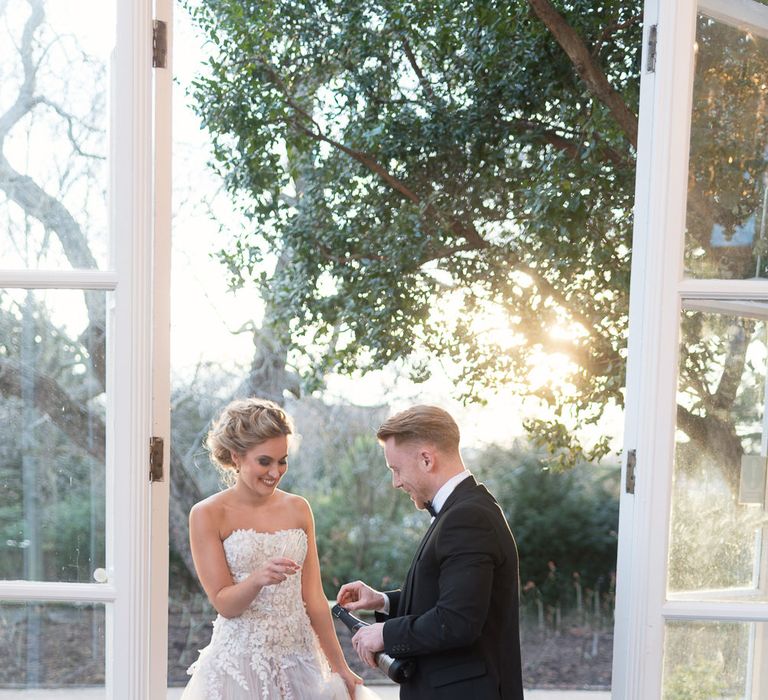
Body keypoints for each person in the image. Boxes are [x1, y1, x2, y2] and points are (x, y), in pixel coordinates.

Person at [181, 398, 374, 700]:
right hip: (240, 667)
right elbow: (224, 604)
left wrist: (341, 668)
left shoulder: (298, 508)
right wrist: (258, 578)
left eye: (282, 460)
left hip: (300, 660)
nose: (275, 471)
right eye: (264, 461)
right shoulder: (207, 513)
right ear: (236, 456)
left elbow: (314, 599)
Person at [337, 405, 524, 700]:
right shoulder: (462, 510)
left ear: (426, 459)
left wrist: (384, 634)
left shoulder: (468, 517)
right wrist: (383, 601)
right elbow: (450, 598)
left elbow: (457, 621)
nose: (396, 482)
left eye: (396, 470)